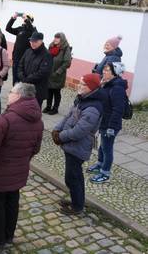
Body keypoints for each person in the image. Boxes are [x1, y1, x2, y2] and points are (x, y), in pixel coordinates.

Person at [0, 83, 43, 247]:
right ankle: (8, 236)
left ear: (19, 96)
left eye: (11, 92)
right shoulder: (38, 121)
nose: (8, 95)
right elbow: (36, 149)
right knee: (12, 204)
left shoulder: (4, 120)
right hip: (18, 173)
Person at [53, 73, 105, 214]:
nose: (79, 86)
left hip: (78, 147)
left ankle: (77, 207)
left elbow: (79, 131)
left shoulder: (93, 108)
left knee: (72, 178)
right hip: (71, 146)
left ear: (92, 88)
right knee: (75, 176)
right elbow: (68, 116)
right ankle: (77, 201)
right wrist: (57, 129)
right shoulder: (82, 99)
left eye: (83, 84)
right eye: (80, 83)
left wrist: (61, 137)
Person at [87, 62, 127, 183]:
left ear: (115, 73)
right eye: (104, 69)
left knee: (107, 148)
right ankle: (100, 164)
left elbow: (118, 109)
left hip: (111, 124)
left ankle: (105, 173)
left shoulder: (117, 88)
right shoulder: (108, 84)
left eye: (107, 70)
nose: (104, 72)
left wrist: (111, 127)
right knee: (102, 145)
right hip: (104, 120)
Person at [17, 32, 53, 108]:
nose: (32, 43)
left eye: (35, 41)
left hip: (37, 90)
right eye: (31, 41)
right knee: (22, 109)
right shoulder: (28, 51)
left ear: (41, 41)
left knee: (34, 112)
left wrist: (27, 79)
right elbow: (20, 65)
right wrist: (21, 76)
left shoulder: (47, 55)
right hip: (24, 87)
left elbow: (43, 72)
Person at [44, 32, 72, 115]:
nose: (55, 39)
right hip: (49, 73)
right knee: (49, 91)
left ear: (62, 39)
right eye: (55, 37)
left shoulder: (65, 48)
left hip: (58, 75)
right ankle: (48, 106)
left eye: (58, 38)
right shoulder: (51, 45)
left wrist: (58, 72)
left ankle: (55, 108)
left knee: (56, 92)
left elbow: (67, 62)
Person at [5, 13, 37, 84]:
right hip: (16, 58)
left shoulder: (33, 30)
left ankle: (23, 93)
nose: (24, 21)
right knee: (15, 78)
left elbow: (33, 31)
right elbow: (8, 28)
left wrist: (26, 20)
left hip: (26, 60)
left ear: (30, 21)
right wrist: (13, 18)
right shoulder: (20, 29)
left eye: (27, 19)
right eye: (24, 19)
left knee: (23, 78)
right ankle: (15, 93)